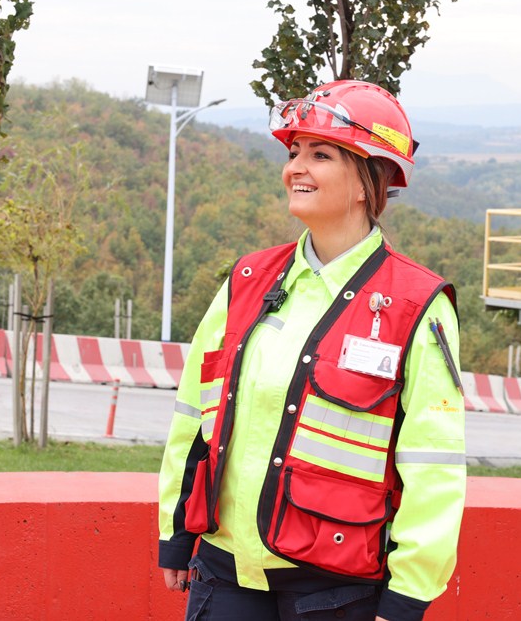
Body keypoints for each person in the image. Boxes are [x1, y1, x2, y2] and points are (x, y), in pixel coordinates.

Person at [158, 80, 466, 621]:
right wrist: (177, 532)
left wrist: (407, 596)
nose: (295, 168)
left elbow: (432, 463)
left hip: (336, 588)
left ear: (368, 181)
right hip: (225, 571)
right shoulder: (248, 280)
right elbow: (194, 417)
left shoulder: (417, 305)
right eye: (294, 152)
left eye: (320, 155)